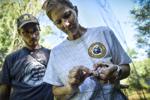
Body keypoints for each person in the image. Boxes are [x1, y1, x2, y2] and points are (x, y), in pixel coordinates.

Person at [42, 0, 131, 100]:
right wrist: (69, 88)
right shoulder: (56, 53)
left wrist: (116, 71)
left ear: (75, 10)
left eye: (67, 15)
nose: (66, 24)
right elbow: (56, 91)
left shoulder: (103, 33)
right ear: (55, 25)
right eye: (58, 22)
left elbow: (126, 68)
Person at [0, 14, 54, 100]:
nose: (32, 36)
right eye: (26, 32)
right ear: (19, 33)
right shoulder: (11, 59)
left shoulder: (51, 55)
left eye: (35, 30)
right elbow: (4, 90)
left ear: (39, 29)